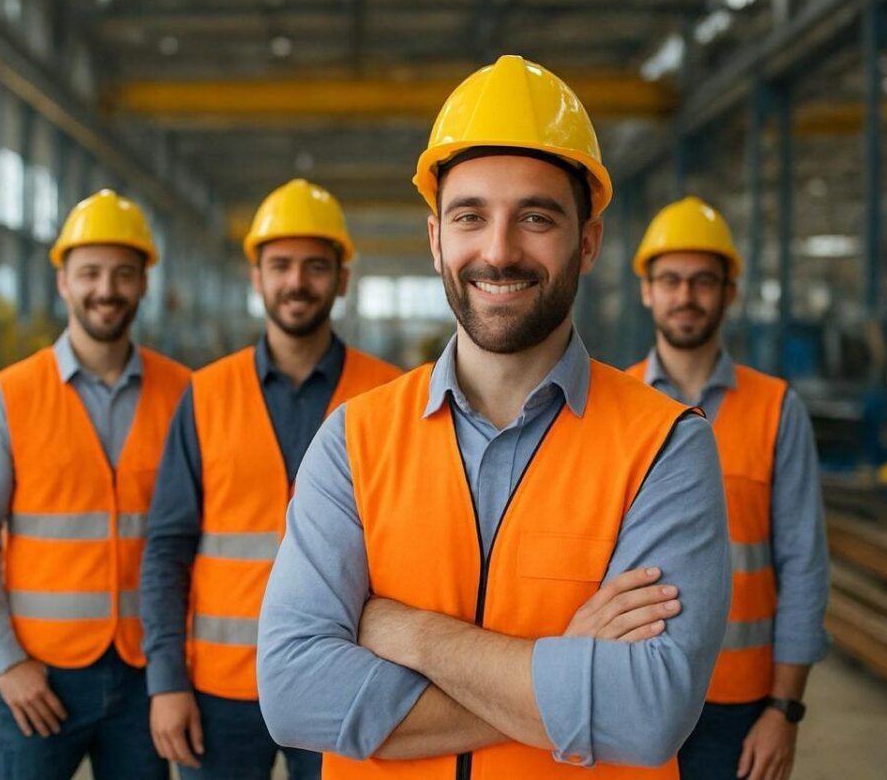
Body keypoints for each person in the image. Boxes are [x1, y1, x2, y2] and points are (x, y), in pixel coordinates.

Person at [256, 55, 731, 778]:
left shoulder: (666, 445)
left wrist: (408, 632)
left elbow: (646, 716)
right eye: (470, 216)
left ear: (589, 242)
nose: (499, 250)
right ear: (436, 239)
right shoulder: (355, 440)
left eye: (536, 217)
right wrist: (563, 670)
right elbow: (293, 695)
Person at [139, 178, 402, 779]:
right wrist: (166, 682)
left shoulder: (389, 398)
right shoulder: (204, 395)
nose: (296, 281)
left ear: (342, 279)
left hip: (349, 683)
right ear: (255, 277)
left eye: (315, 265)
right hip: (221, 690)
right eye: (279, 264)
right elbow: (167, 550)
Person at [0, 189, 190, 780]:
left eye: (122, 274)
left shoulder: (186, 394)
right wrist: (5, 663)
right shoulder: (8, 397)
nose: (106, 289)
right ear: (63, 281)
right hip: (40, 678)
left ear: (142, 284)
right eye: (90, 273)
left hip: (147, 675)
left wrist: (175, 670)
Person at [626, 197, 829, 780]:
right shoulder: (613, 403)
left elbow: (804, 567)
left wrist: (784, 709)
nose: (685, 296)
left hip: (739, 707)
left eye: (702, 281)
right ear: (647, 290)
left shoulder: (776, 410)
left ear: (729, 293)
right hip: (633, 690)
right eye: (670, 280)